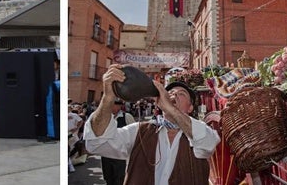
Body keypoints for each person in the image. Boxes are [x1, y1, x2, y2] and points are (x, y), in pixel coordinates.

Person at [84, 65, 220, 184]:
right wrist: (108, 97)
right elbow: (97, 142)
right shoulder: (139, 132)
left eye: (181, 94)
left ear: (190, 108)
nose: (173, 95)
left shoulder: (201, 131)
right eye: (170, 93)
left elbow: (207, 143)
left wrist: (170, 108)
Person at [100, 99, 135, 185]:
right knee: (108, 176)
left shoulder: (126, 116)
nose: (111, 107)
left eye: (114, 104)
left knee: (119, 176)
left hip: (120, 153)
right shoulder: (105, 117)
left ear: (119, 106)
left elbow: (134, 133)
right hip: (106, 152)